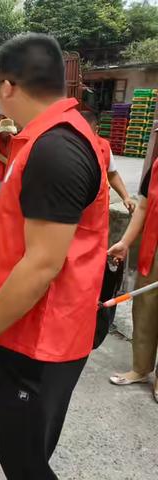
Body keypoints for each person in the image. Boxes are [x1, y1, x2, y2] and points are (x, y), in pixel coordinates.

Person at [0, 33, 109, 479]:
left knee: (24, 461)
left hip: (40, 338)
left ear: (8, 86)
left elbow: (42, 263)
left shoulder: (55, 149)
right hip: (30, 328)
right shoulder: (46, 139)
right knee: (24, 452)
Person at [108, 151, 158, 403]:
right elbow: (144, 206)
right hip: (153, 247)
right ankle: (141, 368)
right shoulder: (157, 167)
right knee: (145, 305)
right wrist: (125, 242)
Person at [81, 110, 135, 214]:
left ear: (96, 129)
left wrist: (126, 197)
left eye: (86, 130)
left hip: (99, 210)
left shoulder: (104, 146)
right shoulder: (68, 146)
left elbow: (112, 174)